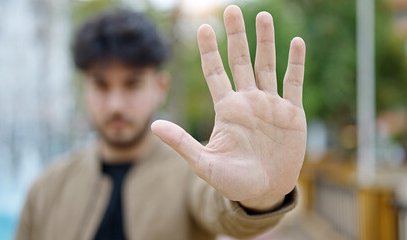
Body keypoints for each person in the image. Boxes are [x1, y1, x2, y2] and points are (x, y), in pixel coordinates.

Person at [16, 4, 306, 240]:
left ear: (160, 87)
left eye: (132, 84)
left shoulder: (193, 172)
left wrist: (260, 198)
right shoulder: (46, 189)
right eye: (101, 85)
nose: (115, 104)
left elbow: (222, 208)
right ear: (85, 89)